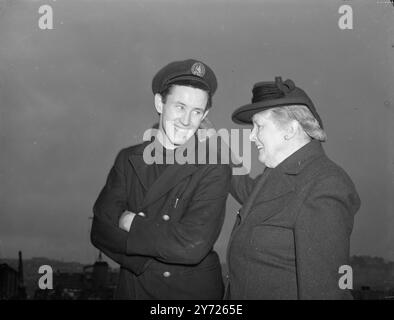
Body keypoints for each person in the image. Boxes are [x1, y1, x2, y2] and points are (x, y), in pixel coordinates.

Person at [90, 59, 231, 299]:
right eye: (179, 107)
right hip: (134, 287)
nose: (186, 121)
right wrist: (146, 262)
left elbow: (192, 246)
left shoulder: (214, 167)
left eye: (196, 111)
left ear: (205, 114)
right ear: (159, 103)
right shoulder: (128, 159)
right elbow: (100, 231)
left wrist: (129, 221)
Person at [225, 77, 361, 299]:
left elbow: (327, 292)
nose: (251, 136)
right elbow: (246, 191)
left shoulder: (325, 184)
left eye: (258, 126)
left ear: (290, 129)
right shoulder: (276, 175)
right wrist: (213, 143)